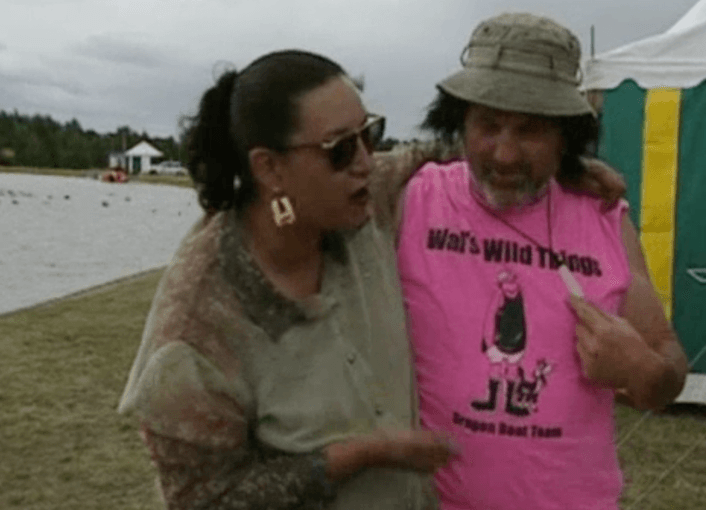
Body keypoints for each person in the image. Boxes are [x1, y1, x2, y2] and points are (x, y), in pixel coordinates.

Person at [117, 50, 459, 509]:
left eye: (369, 134)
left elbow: (452, 156)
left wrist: (578, 174)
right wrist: (359, 455)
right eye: (339, 149)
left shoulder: (361, 198)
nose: (365, 162)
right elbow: (205, 501)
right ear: (269, 169)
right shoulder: (194, 334)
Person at [390, 12, 689, 510]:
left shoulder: (604, 217)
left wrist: (643, 370)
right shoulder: (409, 203)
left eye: (529, 131)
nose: (504, 154)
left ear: (565, 137)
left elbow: (666, 360)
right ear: (460, 121)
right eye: (487, 125)